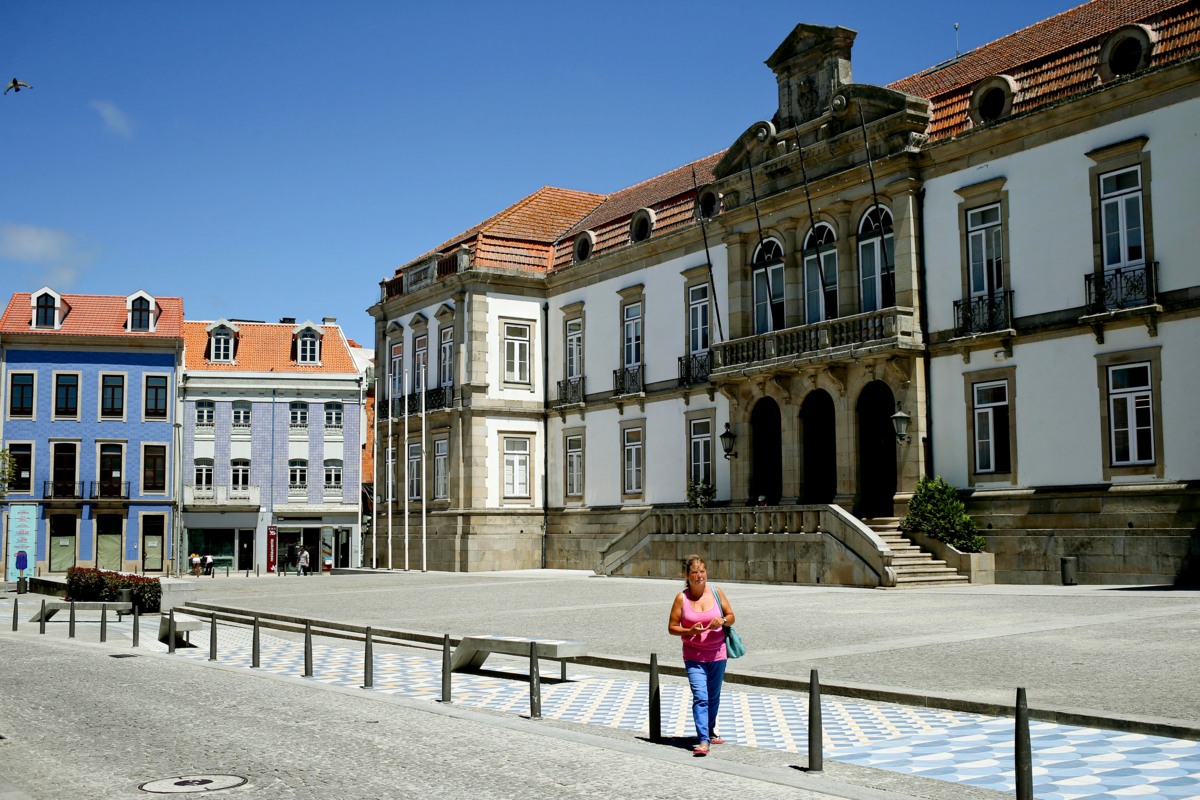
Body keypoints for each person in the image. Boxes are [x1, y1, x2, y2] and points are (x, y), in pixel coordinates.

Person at [668, 554, 735, 756]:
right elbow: (672, 627)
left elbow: (731, 617)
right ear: (687, 576)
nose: (699, 576)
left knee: (713, 697)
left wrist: (722, 621)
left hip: (718, 653)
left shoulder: (716, 592)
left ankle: (711, 730)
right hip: (694, 656)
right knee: (701, 697)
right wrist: (690, 632)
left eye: (702, 571)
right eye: (695, 572)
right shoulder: (682, 598)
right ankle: (703, 740)